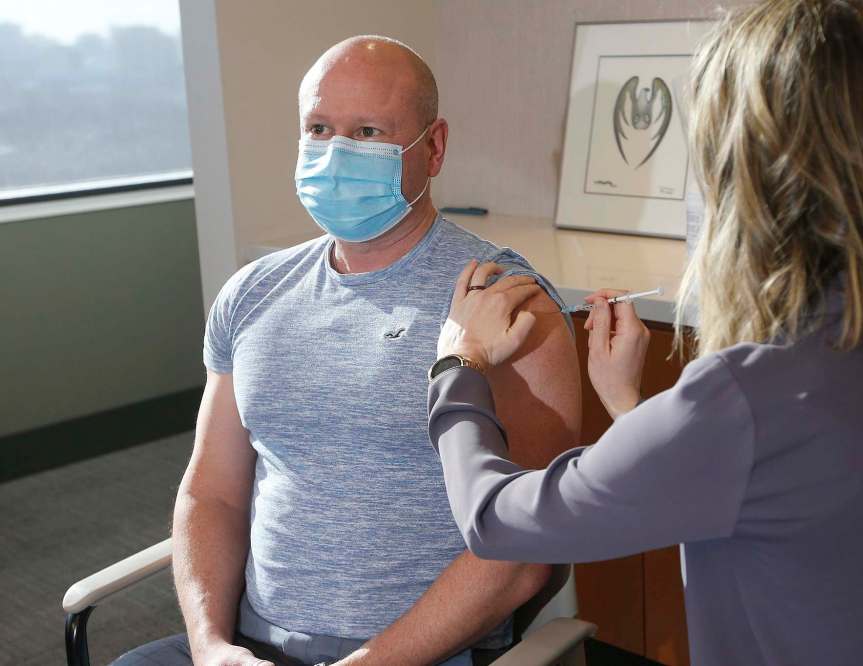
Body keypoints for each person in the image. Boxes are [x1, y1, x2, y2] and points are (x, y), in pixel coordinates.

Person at [426, 1, 863, 665]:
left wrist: (458, 367)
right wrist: (632, 410)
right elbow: (776, 491)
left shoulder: (749, 397)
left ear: (751, 183)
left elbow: (497, 519)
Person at [115, 36, 581, 666]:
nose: (336, 154)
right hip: (250, 647)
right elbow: (212, 491)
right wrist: (211, 646)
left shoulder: (504, 305)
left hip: (421, 654)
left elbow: (526, 551)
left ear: (434, 147)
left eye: (367, 132)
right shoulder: (252, 294)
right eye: (318, 129)